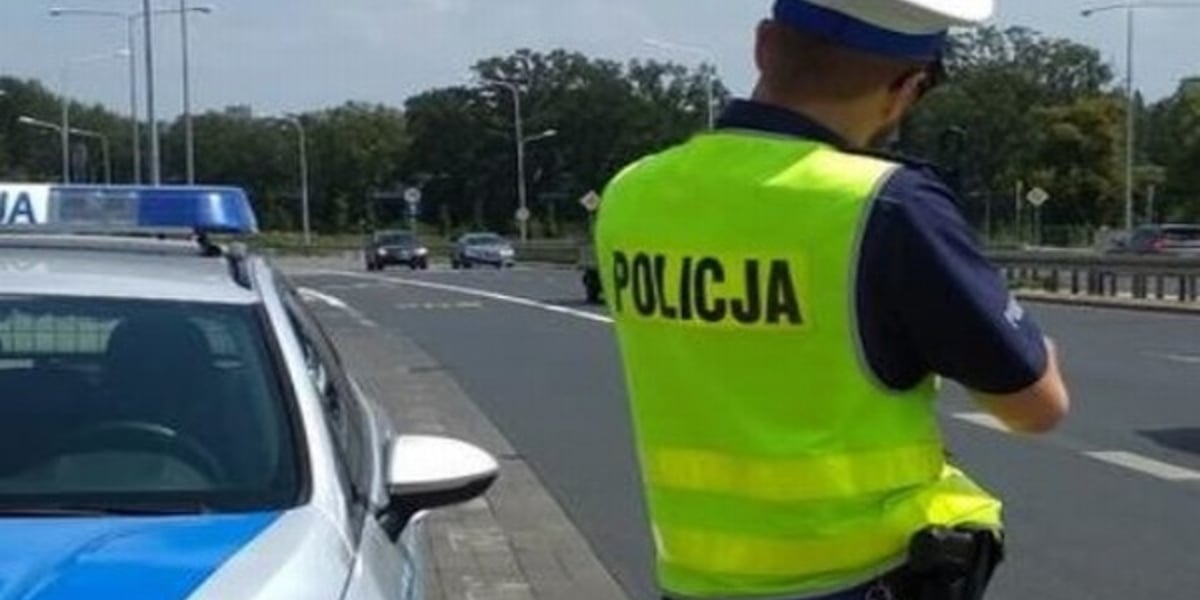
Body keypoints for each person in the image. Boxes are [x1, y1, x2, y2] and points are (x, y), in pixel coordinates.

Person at [594, 1, 1071, 599]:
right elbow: (1036, 407)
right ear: (905, 90)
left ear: (764, 45)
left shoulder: (631, 192)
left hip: (695, 579)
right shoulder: (887, 207)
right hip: (859, 578)